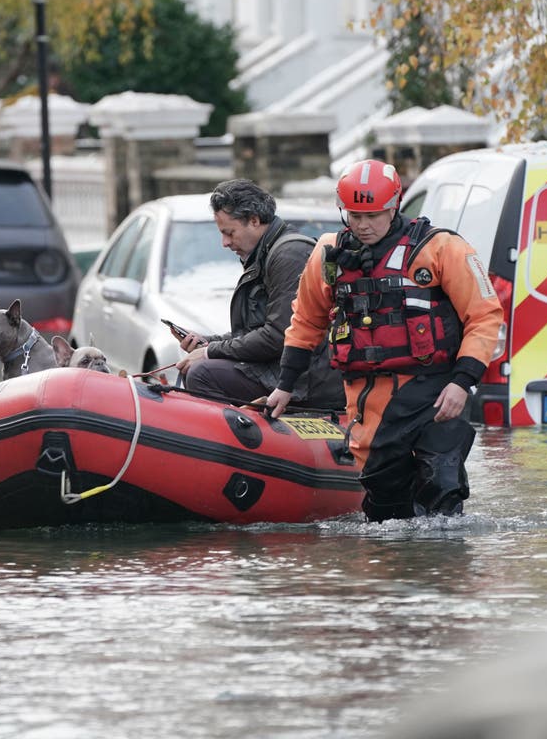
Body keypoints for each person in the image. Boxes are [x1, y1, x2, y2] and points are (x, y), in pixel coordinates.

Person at [265, 159, 503, 521]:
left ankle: (446, 569)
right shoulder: (329, 256)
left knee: (440, 485)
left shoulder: (440, 248)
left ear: (395, 205)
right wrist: (284, 385)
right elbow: (306, 321)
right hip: (369, 397)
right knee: (385, 507)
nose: (362, 225)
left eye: (373, 215)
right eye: (354, 215)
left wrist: (462, 382)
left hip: (436, 390)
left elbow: (484, 315)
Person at [172, 179, 345, 410]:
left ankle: (237, 442)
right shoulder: (264, 255)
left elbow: (278, 336)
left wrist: (209, 352)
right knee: (200, 368)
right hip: (281, 370)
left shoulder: (289, 255)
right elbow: (254, 331)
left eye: (229, 233)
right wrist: (209, 342)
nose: (225, 243)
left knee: (202, 373)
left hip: (305, 381)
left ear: (254, 220)